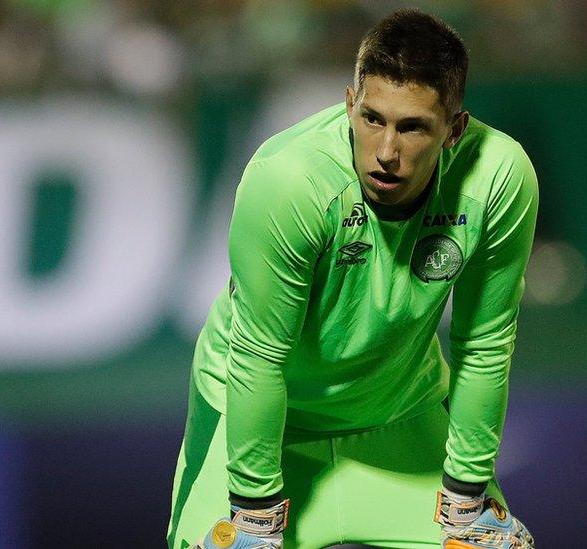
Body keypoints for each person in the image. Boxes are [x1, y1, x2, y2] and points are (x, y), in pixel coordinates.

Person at [167, 8, 538, 549]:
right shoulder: (288, 181)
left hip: (400, 418)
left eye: (413, 127)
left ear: (454, 130)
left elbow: (484, 344)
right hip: (261, 423)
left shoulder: (498, 178)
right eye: (372, 119)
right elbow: (259, 357)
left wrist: (464, 496)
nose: (386, 152)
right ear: (349, 103)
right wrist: (252, 516)